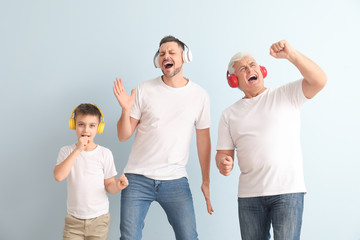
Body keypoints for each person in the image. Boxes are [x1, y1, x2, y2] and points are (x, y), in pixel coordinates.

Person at [216, 40, 327, 240]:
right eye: (243, 68)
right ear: (234, 80)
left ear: (262, 70)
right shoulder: (228, 115)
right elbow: (223, 155)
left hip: (287, 191)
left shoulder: (286, 94)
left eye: (253, 65)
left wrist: (291, 55)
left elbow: (319, 80)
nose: (250, 69)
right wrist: (223, 163)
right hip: (249, 196)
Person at [113, 35, 213, 240]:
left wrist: (205, 180)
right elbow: (123, 136)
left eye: (171, 52)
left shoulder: (199, 95)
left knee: (189, 237)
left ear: (184, 57)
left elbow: (203, 140)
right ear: (158, 61)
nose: (165, 56)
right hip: (137, 178)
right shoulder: (143, 89)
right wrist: (125, 110)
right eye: (161, 54)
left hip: (175, 179)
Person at [54, 103, 129, 240]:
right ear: (73, 125)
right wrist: (78, 150)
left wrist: (118, 185)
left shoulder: (105, 154)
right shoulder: (66, 151)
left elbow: (109, 186)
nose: (86, 130)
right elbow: (59, 176)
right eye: (81, 124)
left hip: (99, 219)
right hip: (73, 220)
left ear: (99, 127)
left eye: (92, 125)